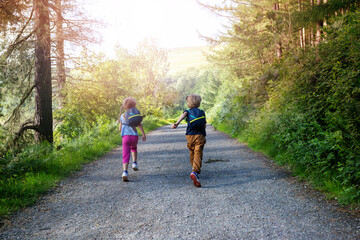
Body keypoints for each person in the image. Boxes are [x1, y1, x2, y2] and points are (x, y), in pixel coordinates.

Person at [172, 94, 206, 187]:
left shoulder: (187, 111)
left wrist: (176, 123)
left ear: (189, 103)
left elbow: (183, 115)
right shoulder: (202, 111)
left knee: (192, 152)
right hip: (200, 135)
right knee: (198, 153)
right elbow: (204, 124)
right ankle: (195, 172)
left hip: (190, 135)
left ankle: (193, 169)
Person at [118, 97, 146, 182]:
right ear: (134, 105)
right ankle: (134, 163)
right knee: (134, 148)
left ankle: (125, 172)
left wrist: (121, 124)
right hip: (134, 137)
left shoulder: (123, 116)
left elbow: (120, 128)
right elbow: (139, 125)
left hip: (126, 137)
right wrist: (143, 134)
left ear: (125, 106)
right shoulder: (135, 115)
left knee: (125, 154)